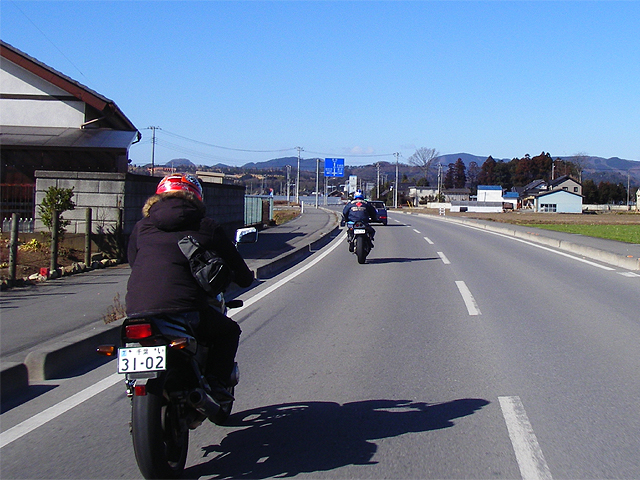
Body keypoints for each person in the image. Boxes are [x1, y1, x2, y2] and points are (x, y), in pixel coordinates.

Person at [125, 173, 254, 397]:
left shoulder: (141, 227)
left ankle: (135, 386)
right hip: (186, 309)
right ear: (196, 198)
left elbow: (133, 262)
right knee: (229, 331)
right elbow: (243, 276)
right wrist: (236, 276)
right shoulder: (206, 226)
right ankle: (216, 384)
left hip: (137, 310)